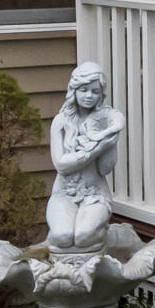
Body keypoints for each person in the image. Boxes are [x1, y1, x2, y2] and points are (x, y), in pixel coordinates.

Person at [45, 63, 125, 254]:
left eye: (95, 91)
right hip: (64, 193)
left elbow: (105, 169)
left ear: (101, 94)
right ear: (74, 90)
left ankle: (99, 237)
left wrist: (110, 138)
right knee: (62, 236)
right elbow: (62, 166)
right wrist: (98, 148)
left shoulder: (105, 121)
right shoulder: (61, 122)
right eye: (84, 90)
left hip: (95, 194)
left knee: (83, 236)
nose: (89, 96)